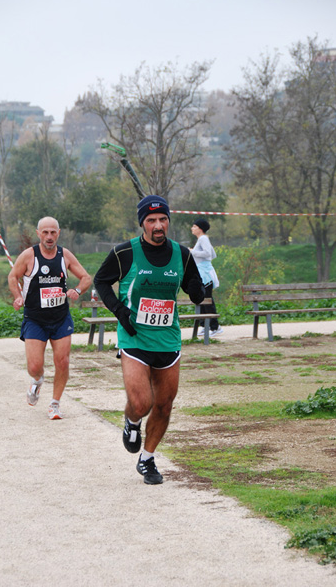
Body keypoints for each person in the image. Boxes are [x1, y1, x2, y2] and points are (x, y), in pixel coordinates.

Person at [94, 195, 205, 485]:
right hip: (134, 335)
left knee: (165, 404)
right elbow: (101, 281)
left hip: (168, 338)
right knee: (142, 402)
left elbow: (194, 286)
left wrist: (196, 289)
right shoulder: (125, 253)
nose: (158, 225)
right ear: (142, 223)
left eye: (163, 219)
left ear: (168, 221)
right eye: (152, 220)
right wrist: (120, 311)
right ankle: (132, 421)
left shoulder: (182, 254)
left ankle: (147, 458)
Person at [8, 217, 91, 419]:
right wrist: (18, 297)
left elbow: (86, 278)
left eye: (53, 232)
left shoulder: (65, 255)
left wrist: (77, 291)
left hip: (61, 318)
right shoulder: (29, 256)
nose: (49, 236)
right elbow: (13, 276)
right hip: (35, 319)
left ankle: (55, 404)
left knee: (62, 362)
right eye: (45, 232)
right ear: (38, 234)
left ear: (58, 233)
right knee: (34, 366)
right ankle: (37, 381)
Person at [190, 218, 223, 337]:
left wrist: (193, 252)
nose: (192, 228)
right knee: (202, 299)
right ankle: (205, 325)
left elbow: (208, 254)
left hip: (205, 275)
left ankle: (215, 327)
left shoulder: (203, 238)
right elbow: (213, 254)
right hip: (202, 273)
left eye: (194, 226)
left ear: (200, 228)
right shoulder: (202, 239)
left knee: (207, 300)